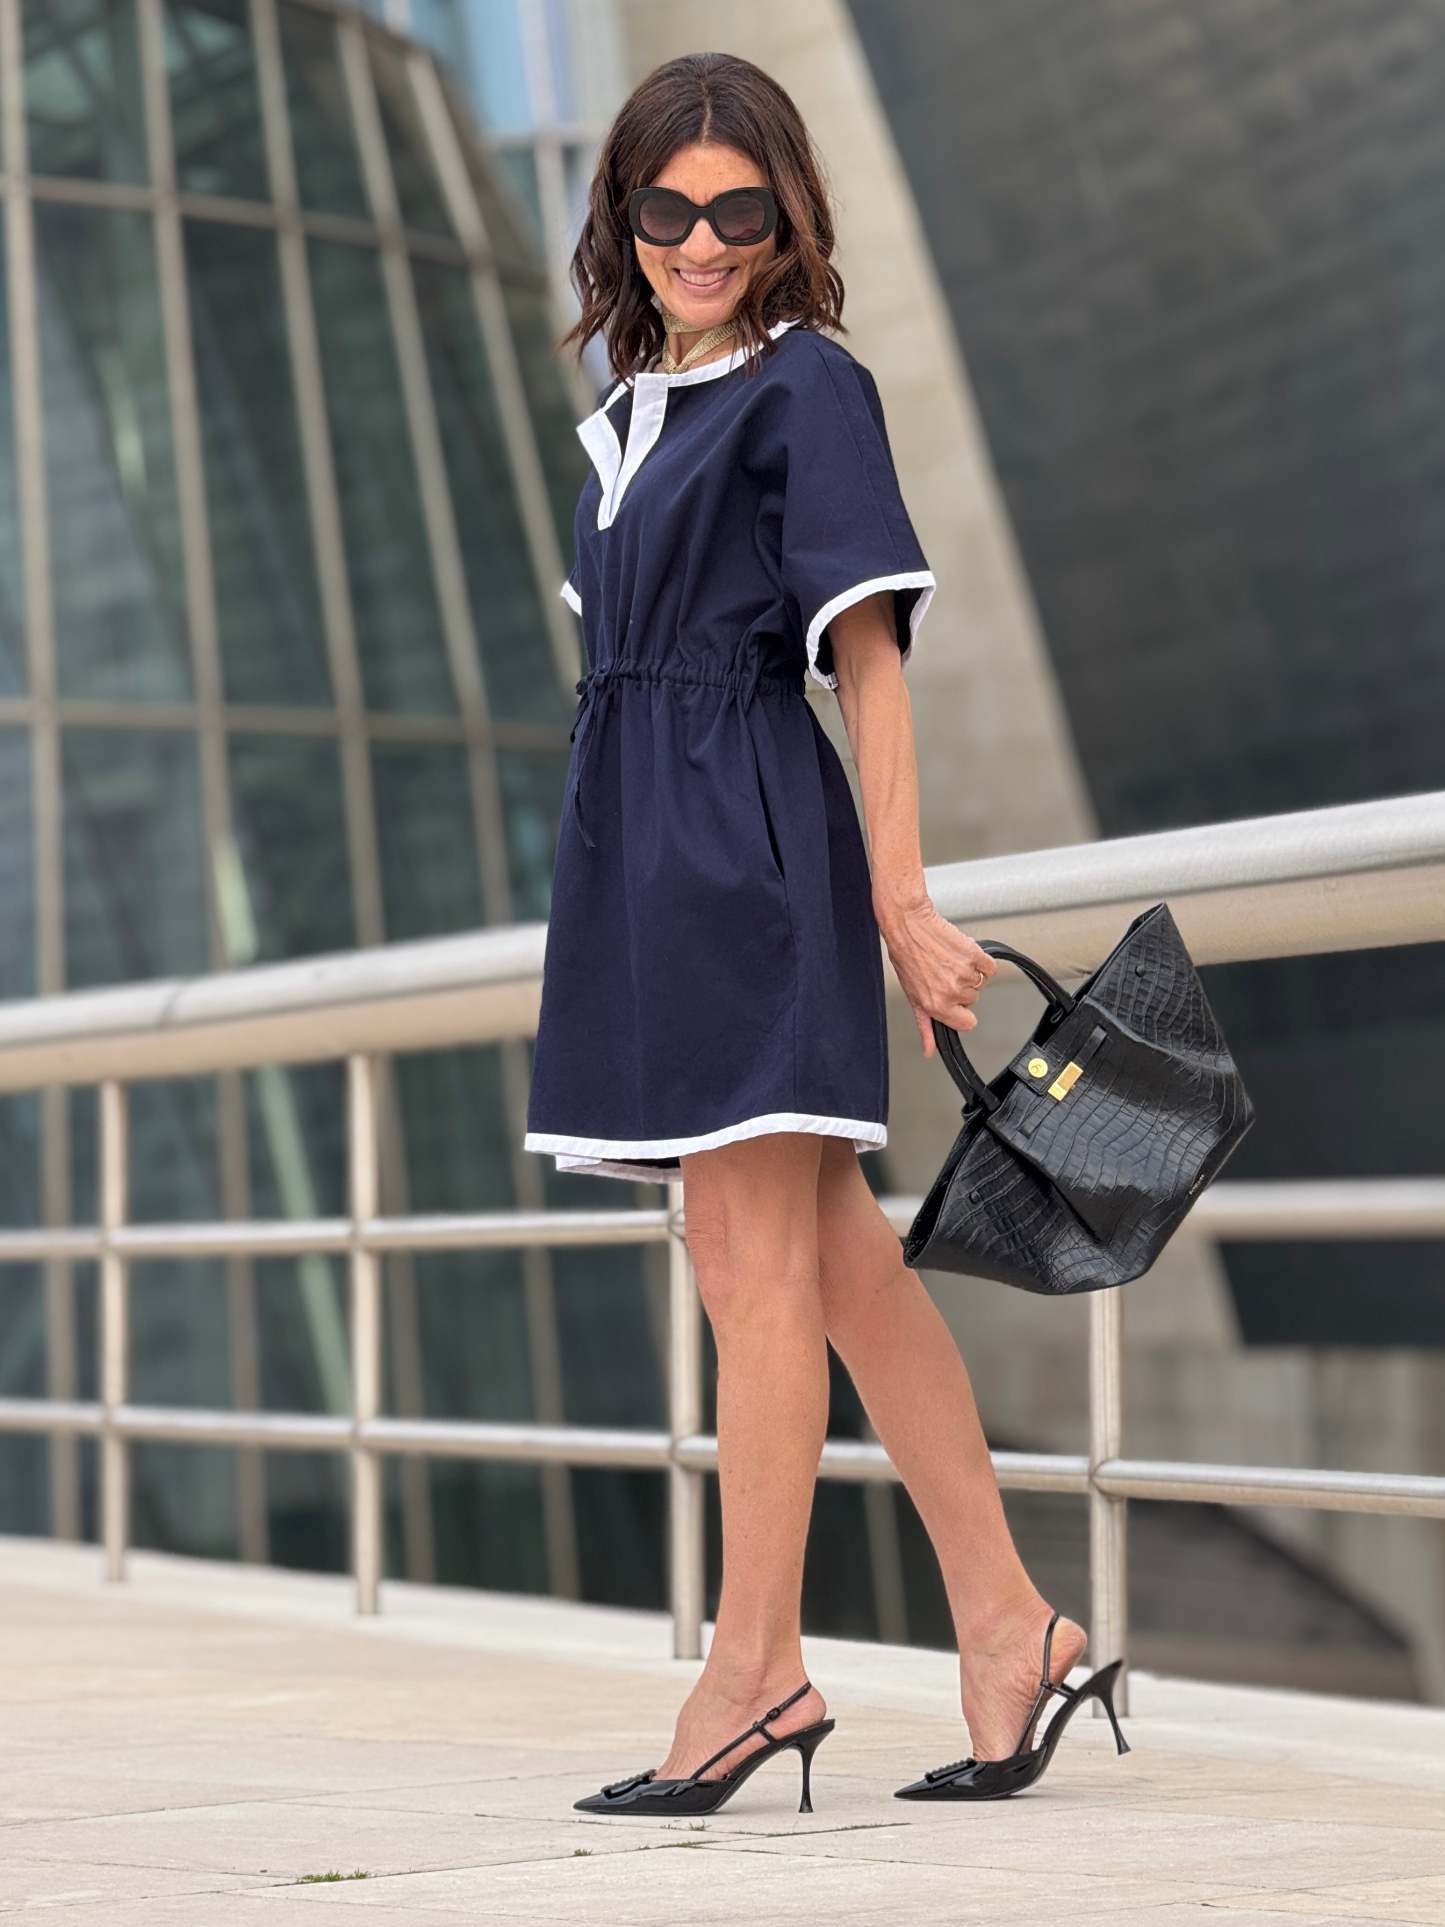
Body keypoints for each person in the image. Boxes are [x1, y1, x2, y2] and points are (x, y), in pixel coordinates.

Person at [524, 50, 1111, 1814]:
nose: (702, 242)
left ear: (787, 220)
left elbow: (867, 662)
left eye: (739, 211)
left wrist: (902, 902)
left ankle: (754, 1671)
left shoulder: (806, 388)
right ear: (621, 216)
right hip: (641, 857)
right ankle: (1008, 1628)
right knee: (832, 1256)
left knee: (748, 1262)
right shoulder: (632, 408)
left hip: (745, 851)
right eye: (667, 208)